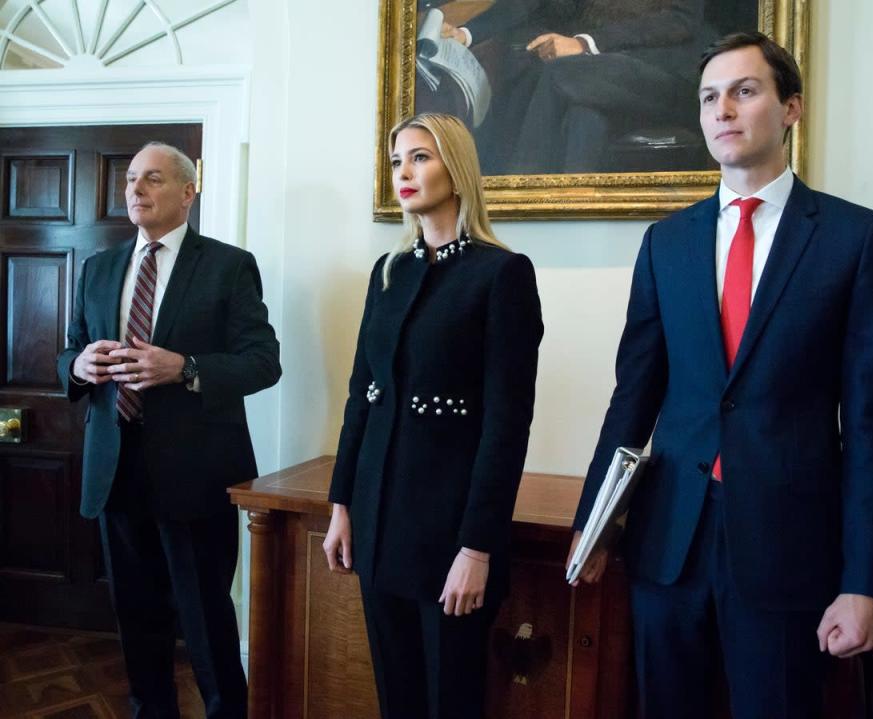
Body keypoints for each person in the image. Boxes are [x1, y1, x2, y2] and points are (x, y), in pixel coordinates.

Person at [568, 32, 873, 718]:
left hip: (788, 551)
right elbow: (633, 397)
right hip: (670, 543)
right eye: (709, 97)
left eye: (744, 91)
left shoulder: (855, 238)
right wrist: (593, 521)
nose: (722, 109)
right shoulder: (666, 241)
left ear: (790, 109)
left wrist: (866, 581)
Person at [324, 112, 543, 719]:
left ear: (457, 166)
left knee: (451, 700)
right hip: (378, 520)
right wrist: (342, 503)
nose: (405, 172)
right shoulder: (389, 272)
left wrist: (477, 547)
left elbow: (507, 425)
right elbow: (361, 393)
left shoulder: (502, 274)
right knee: (397, 698)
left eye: (420, 157)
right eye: (397, 161)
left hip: (449, 533)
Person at [57, 141, 281, 718]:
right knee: (136, 616)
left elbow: (263, 361)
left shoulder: (229, 265)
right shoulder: (100, 267)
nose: (135, 190)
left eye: (151, 179)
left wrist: (186, 367)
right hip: (115, 470)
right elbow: (70, 350)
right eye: (131, 179)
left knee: (205, 617)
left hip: (196, 474)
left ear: (187, 191)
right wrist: (78, 367)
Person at [443, 0, 704, 173]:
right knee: (585, 119)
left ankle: (517, 197)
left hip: (667, 76)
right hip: (593, 81)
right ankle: (564, 228)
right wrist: (466, 33)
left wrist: (584, 43)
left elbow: (679, 21)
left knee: (558, 73)